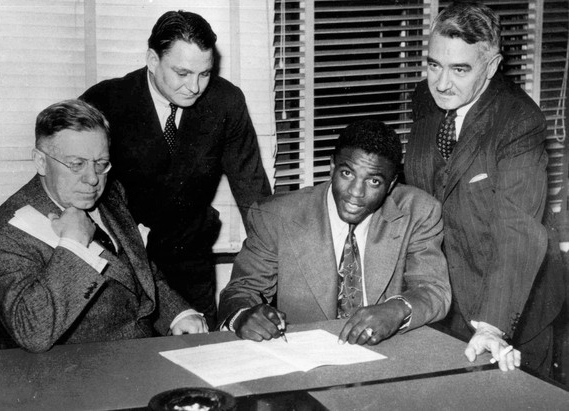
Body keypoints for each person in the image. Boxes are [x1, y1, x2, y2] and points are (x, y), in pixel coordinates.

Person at [80, 10, 271, 329]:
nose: (195, 87)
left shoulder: (225, 102)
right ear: (152, 60)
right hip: (121, 265)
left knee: (202, 360)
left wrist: (271, 264)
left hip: (190, 262)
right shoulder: (104, 102)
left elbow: (253, 193)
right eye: (182, 73)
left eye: (204, 73)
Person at [404, 2, 564, 374]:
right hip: (444, 306)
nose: (442, 83)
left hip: (510, 312)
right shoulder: (425, 98)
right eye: (434, 65)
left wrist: (492, 324)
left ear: (491, 66)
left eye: (460, 69)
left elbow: (517, 229)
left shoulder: (519, 122)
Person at [0, 100, 208, 353]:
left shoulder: (111, 193)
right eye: (76, 164)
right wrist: (73, 246)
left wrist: (178, 313)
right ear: (40, 161)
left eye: (101, 163)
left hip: (143, 356)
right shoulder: (3, 234)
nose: (92, 179)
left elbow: (137, 269)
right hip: (79, 376)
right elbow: (32, 332)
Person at [218, 120, 451, 345]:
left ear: (390, 185)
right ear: (332, 167)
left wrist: (398, 308)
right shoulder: (275, 215)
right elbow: (242, 290)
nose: (355, 193)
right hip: (304, 359)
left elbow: (434, 290)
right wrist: (243, 315)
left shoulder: (419, 211)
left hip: (386, 356)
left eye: (373, 181)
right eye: (347, 174)